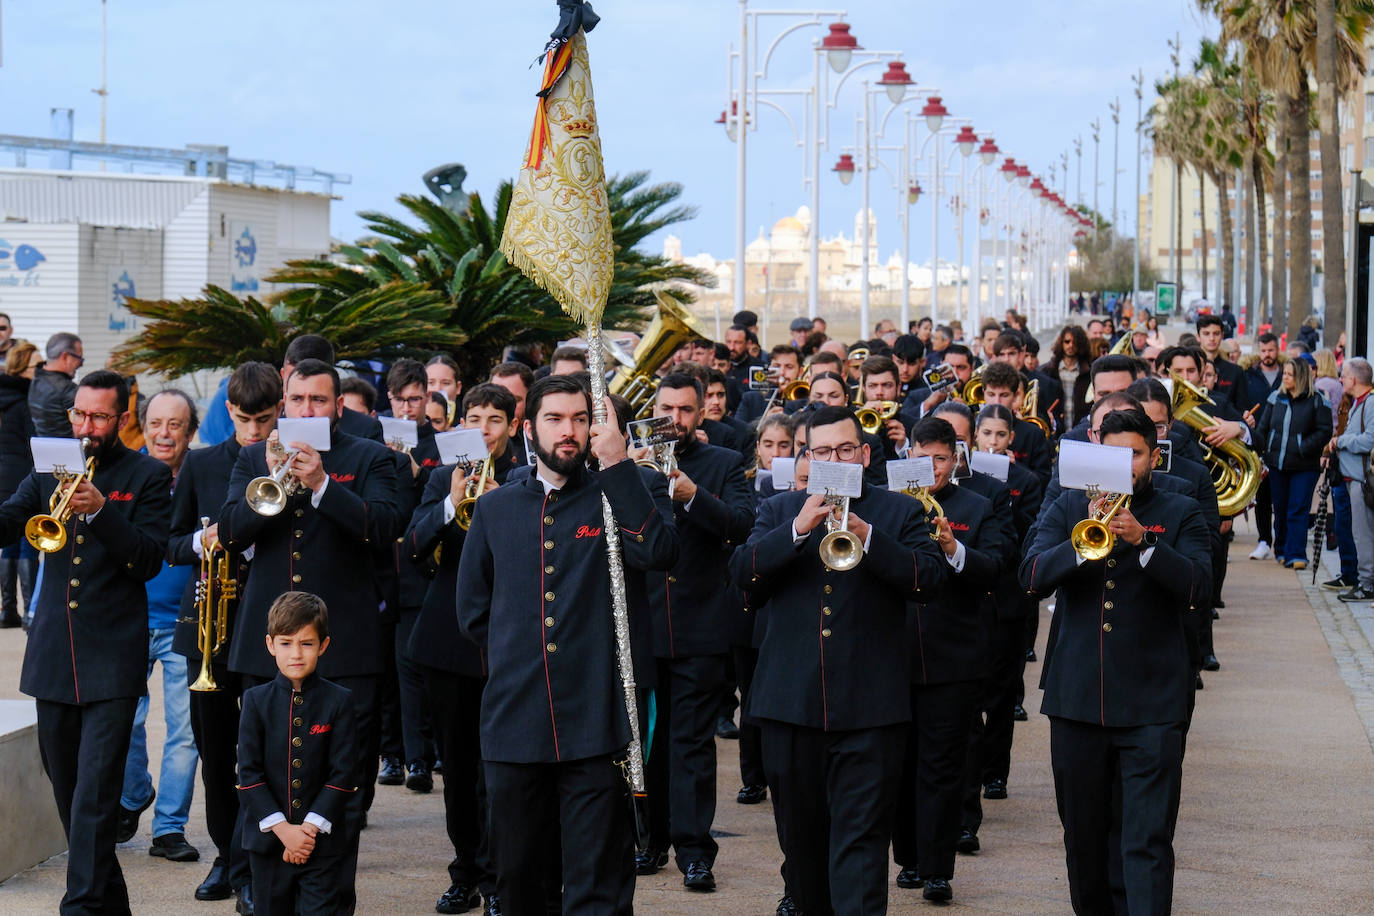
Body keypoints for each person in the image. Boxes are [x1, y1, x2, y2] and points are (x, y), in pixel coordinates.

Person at [456, 374, 678, 914]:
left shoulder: (621, 492)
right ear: (528, 429)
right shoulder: (493, 509)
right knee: (520, 883)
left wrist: (620, 466)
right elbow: (473, 614)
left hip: (596, 726)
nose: (569, 431)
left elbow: (660, 551)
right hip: (514, 723)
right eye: (555, 419)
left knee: (599, 884)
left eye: (581, 419)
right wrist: (522, 659)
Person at [731, 405, 947, 915]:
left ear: (865, 454)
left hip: (871, 711)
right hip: (790, 707)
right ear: (807, 456)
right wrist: (799, 530)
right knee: (802, 853)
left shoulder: (900, 511)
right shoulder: (780, 511)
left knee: (862, 849)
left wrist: (870, 535)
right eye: (823, 451)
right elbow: (742, 575)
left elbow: (928, 580)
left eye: (845, 450)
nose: (835, 458)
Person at [220, 358, 401, 913]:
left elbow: (386, 527)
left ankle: (327, 883)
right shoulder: (254, 456)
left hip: (344, 644)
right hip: (267, 642)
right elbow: (228, 531)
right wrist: (273, 484)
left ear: (338, 405)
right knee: (260, 762)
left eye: (317, 401)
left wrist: (321, 483)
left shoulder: (371, 458)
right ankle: (253, 876)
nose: (306, 410)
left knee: (345, 769)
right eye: (296, 401)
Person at [1022, 406, 1211, 915]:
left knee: (1146, 838)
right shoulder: (1066, 506)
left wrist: (1145, 543)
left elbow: (1199, 586)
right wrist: (1079, 546)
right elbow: (1031, 575)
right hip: (1078, 698)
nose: (1124, 466)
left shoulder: (1180, 508)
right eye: (1113, 454)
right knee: (1083, 839)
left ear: (1153, 457)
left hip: (1153, 701)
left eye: (1135, 455)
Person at [0, 370, 172, 914]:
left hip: (112, 658)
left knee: (95, 796)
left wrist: (101, 511)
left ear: (121, 418)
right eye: (79, 413)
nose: (86, 425)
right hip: (54, 655)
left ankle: (78, 907)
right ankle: (109, 901)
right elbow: (10, 520)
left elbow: (147, 559)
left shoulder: (146, 474)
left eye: (99, 416)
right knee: (68, 794)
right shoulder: (49, 468)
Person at [168, 361, 281, 909]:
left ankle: (258, 860)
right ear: (229, 412)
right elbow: (169, 543)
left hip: (270, 627)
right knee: (216, 753)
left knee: (266, 751)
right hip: (210, 628)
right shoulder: (203, 462)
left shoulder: (292, 462)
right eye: (243, 419)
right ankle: (226, 856)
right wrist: (204, 540)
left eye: (263, 420)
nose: (254, 432)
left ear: (279, 411)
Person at [405, 383, 519, 915]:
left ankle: (503, 878)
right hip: (449, 642)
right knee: (458, 767)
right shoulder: (438, 477)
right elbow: (412, 547)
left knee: (504, 770)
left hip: (510, 642)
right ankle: (465, 870)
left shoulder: (525, 478)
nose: (483, 429)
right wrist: (453, 501)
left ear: (513, 427)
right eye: (473, 418)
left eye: (494, 419)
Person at [637, 373, 753, 891]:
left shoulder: (724, 465)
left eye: (685, 410)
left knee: (690, 745)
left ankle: (694, 852)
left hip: (701, 629)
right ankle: (648, 839)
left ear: (700, 413)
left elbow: (743, 524)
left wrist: (692, 496)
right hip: (640, 628)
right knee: (642, 745)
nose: (675, 419)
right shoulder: (630, 467)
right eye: (667, 409)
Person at [891, 416, 1011, 904]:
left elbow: (997, 568)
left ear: (956, 458)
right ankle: (910, 858)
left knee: (943, 766)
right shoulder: (887, 504)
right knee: (900, 763)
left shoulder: (981, 506)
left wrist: (953, 546)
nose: (931, 467)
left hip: (955, 659)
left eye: (940, 458)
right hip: (893, 655)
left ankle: (939, 868)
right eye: (921, 457)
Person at [117, 390, 202, 865]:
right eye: (156, 423)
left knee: (184, 731)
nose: (164, 434)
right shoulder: (126, 473)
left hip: (185, 621)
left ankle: (169, 827)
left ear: (190, 432)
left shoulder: (204, 473)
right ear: (144, 426)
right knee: (125, 722)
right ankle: (133, 796)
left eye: (175, 425)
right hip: (128, 616)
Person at [237, 592, 360, 916]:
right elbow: (248, 776)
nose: (296, 653)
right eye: (287, 643)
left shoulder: (340, 700)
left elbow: (345, 773)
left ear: (323, 645)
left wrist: (307, 831)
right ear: (270, 644)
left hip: (323, 844)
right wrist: (284, 831)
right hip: (268, 844)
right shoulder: (255, 701)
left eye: (306, 643)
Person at [1256, 357, 1332, 570]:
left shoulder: (1318, 400)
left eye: (1290, 374)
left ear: (1300, 376)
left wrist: (1301, 446)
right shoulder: (1275, 398)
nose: (1285, 377)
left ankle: (1296, 553)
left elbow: (1324, 431)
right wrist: (1261, 451)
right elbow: (1263, 428)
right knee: (1280, 508)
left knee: (1297, 508)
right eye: (1285, 374)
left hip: (1305, 466)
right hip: (1277, 464)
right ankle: (1281, 549)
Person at [0, 340, 39, 628]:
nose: (41, 371)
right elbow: (33, 442)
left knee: (8, 543)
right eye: (37, 366)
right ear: (23, 367)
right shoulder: (26, 399)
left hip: (2, 473)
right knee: (28, 540)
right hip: (23, 472)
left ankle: (7, 610)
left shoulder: (3, 395)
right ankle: (29, 612)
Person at [1331, 358, 1374, 602]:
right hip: (1353, 479)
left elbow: (1370, 440)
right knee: (1358, 532)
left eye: (1344, 375)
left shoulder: (1370, 403)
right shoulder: (1359, 402)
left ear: (1354, 379)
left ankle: (1367, 584)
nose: (1341, 379)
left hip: (1362, 481)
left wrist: (1341, 442)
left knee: (1363, 534)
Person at [29, 332, 84, 436]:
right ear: (66, 356)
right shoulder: (67, 389)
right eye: (79, 358)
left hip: (42, 449)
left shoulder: (36, 380)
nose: (81, 364)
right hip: (67, 449)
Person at [1196, 315, 1249, 413]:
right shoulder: (1189, 368)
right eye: (1206, 334)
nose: (1212, 338)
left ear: (1222, 336)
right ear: (1198, 337)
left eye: (1216, 333)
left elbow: (1242, 407)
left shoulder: (1235, 371)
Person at [1046, 325, 1093, 431]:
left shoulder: (1088, 372)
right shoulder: (1049, 371)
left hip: (1081, 428)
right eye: (1067, 341)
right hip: (1056, 428)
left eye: (1075, 342)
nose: (1071, 345)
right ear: (1061, 343)